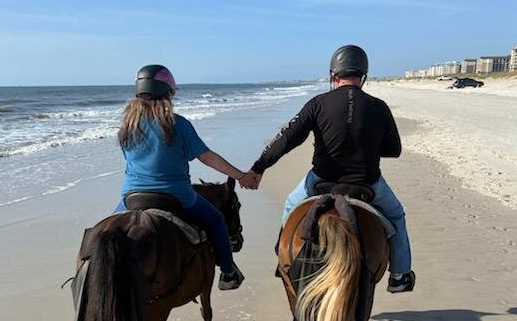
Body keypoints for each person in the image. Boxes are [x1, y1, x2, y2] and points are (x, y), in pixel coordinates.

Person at [240, 45, 415, 293]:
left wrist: (258, 169)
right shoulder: (379, 106)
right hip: (368, 184)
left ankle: (284, 261)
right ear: (363, 76)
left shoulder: (318, 103)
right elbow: (394, 150)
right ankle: (399, 275)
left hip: (321, 181)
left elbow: (287, 139)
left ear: (334, 75)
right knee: (396, 216)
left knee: (291, 204)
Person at [117, 64, 245, 290]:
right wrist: (240, 175)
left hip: (131, 197)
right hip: (177, 196)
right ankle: (228, 273)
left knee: (108, 232)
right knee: (215, 220)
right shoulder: (178, 124)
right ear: (167, 94)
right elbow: (206, 157)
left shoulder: (127, 126)